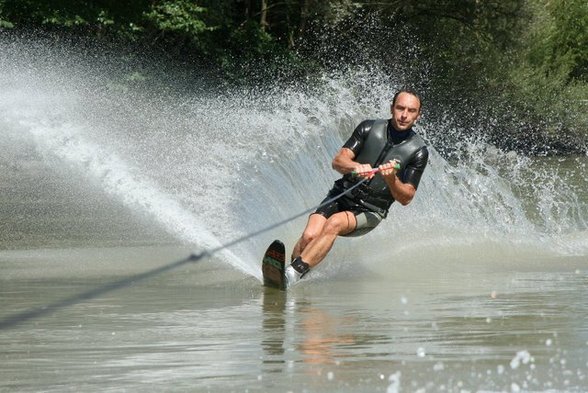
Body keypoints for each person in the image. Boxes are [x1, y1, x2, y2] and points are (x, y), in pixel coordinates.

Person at [284, 89, 429, 286]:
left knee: (334, 223)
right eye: (400, 108)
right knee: (310, 235)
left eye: (411, 111)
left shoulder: (418, 151)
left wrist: (391, 179)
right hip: (341, 195)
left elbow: (406, 197)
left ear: (418, 115)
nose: (404, 115)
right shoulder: (368, 128)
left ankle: (293, 273)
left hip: (370, 210)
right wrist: (355, 167)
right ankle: (289, 273)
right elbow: (338, 161)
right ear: (392, 108)